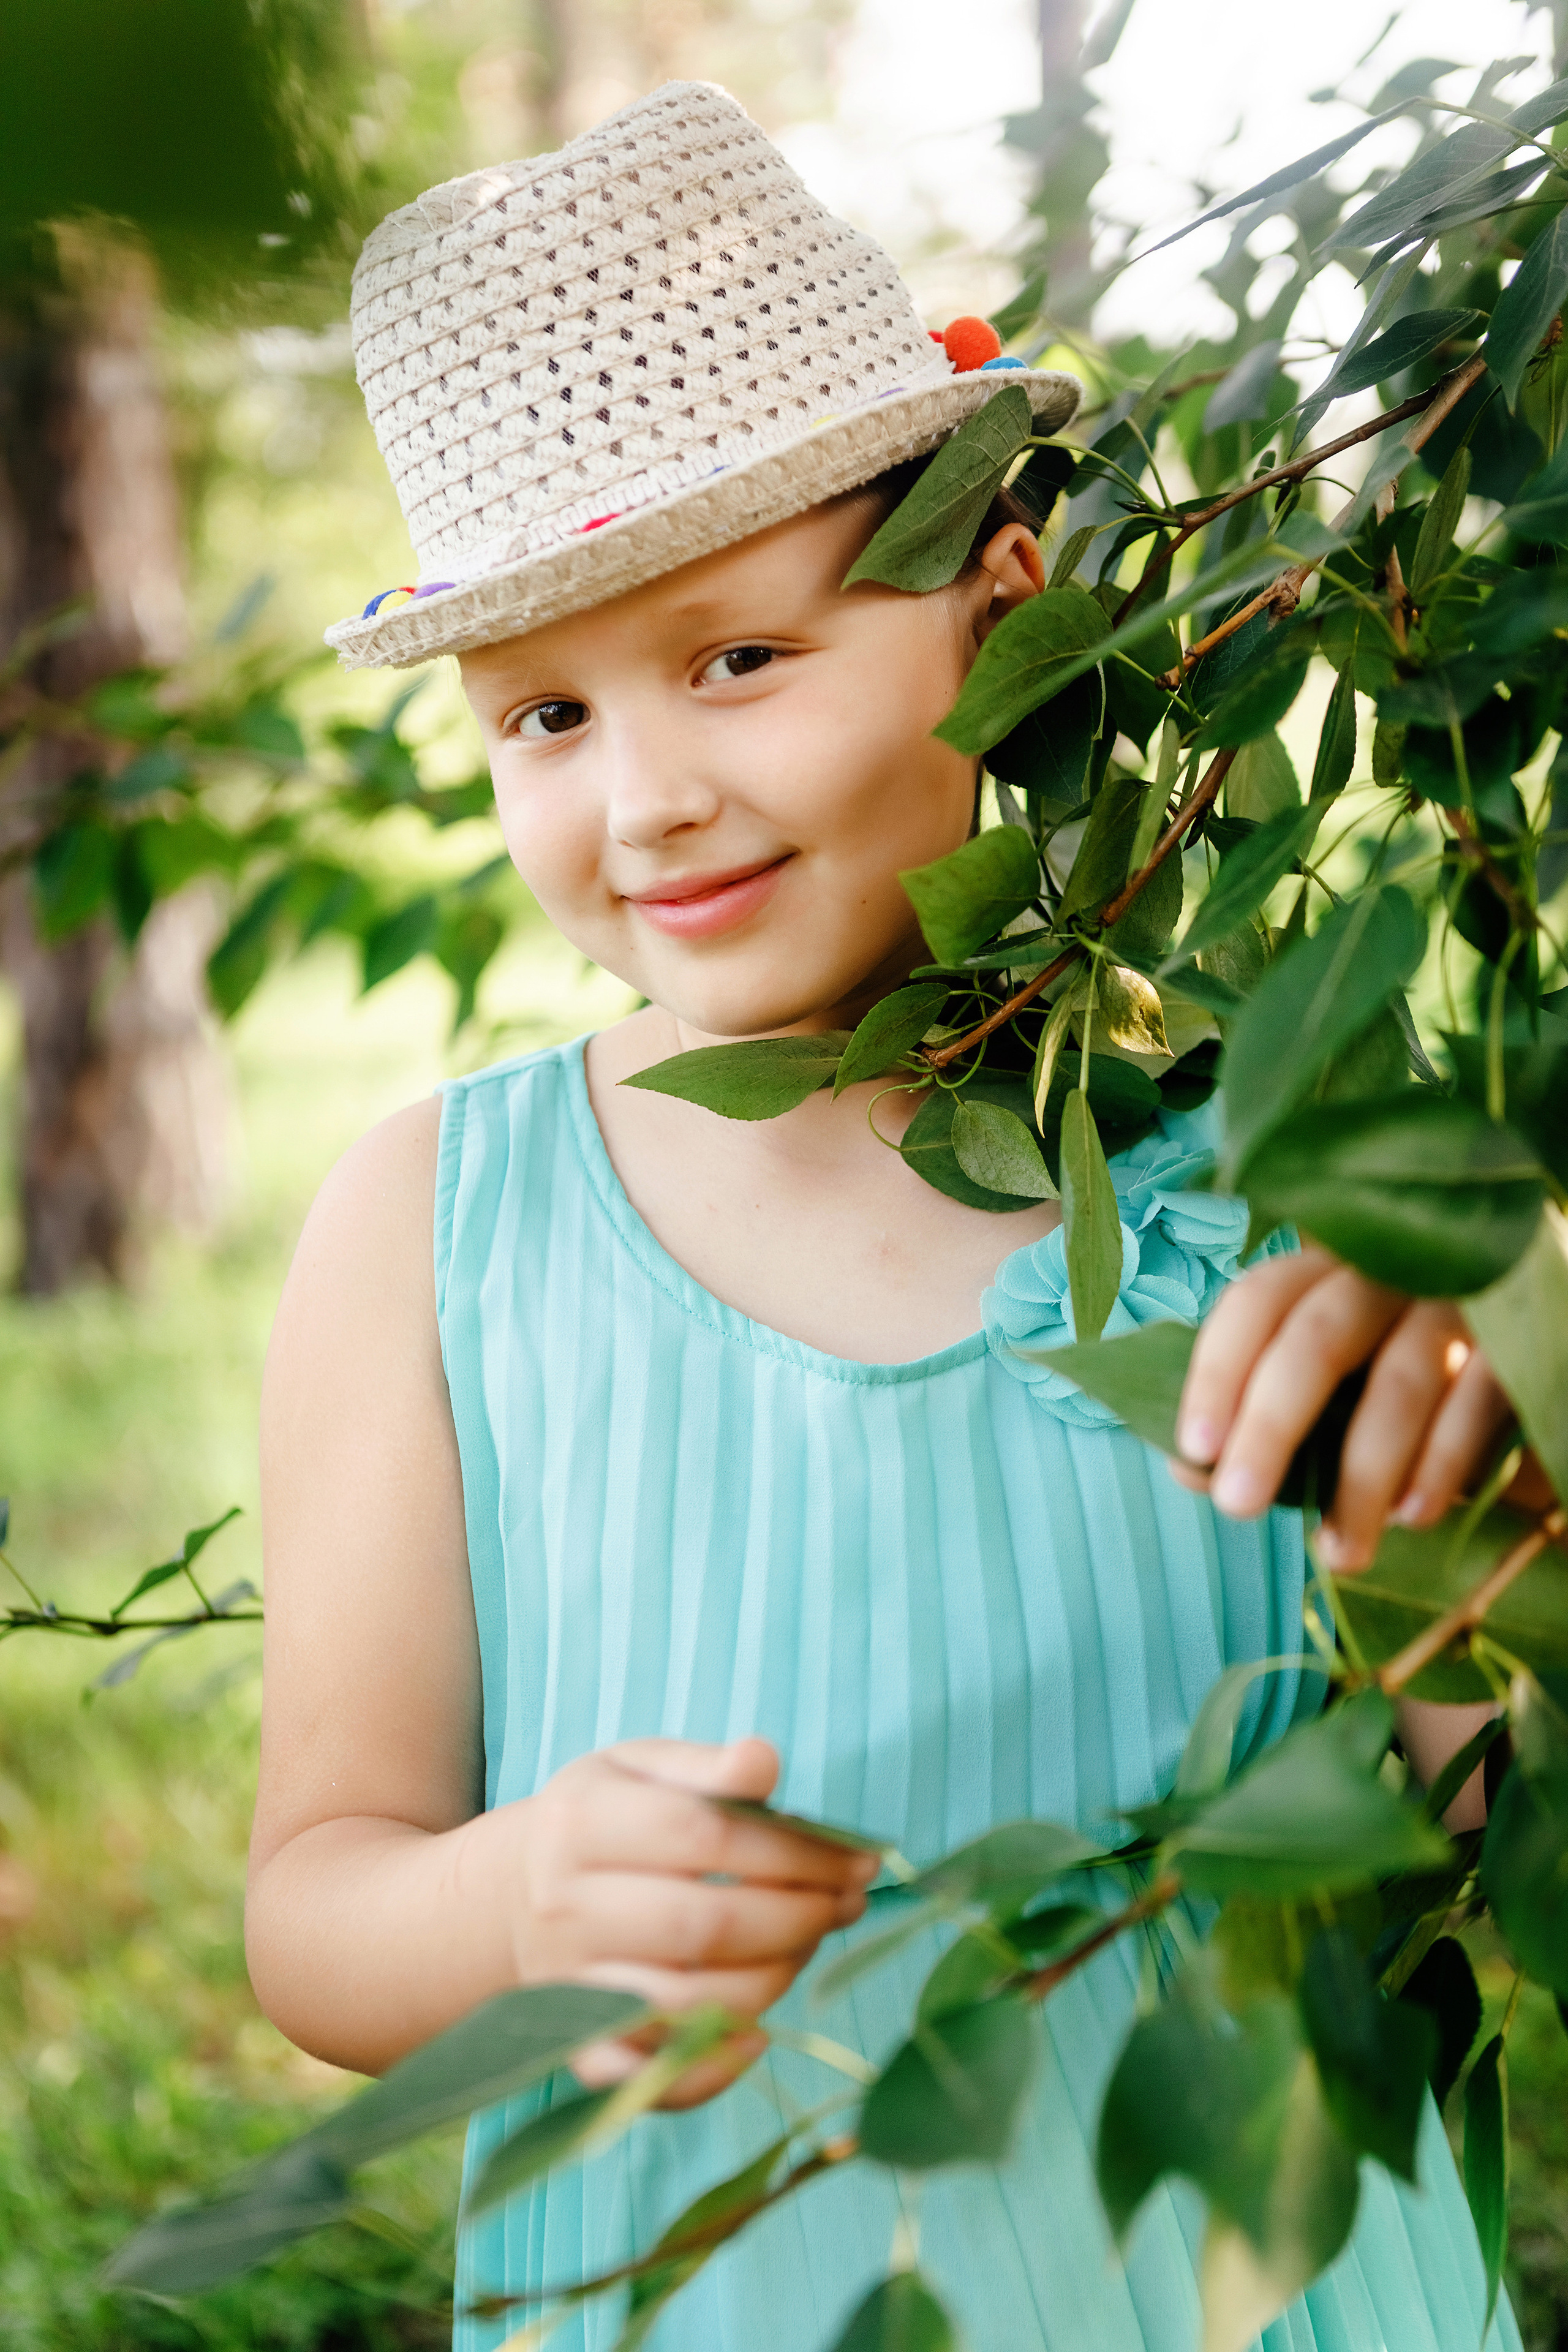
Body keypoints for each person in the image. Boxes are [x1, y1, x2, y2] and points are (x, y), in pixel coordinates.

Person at [246, 81, 1521, 2352]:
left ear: (996, 600)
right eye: (545, 710)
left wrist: (1482, 1499)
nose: (647, 799)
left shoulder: (1267, 1161)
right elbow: (319, 1906)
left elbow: (1472, 1811)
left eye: (740, 656)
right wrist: (523, 1901)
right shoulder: (437, 1227)